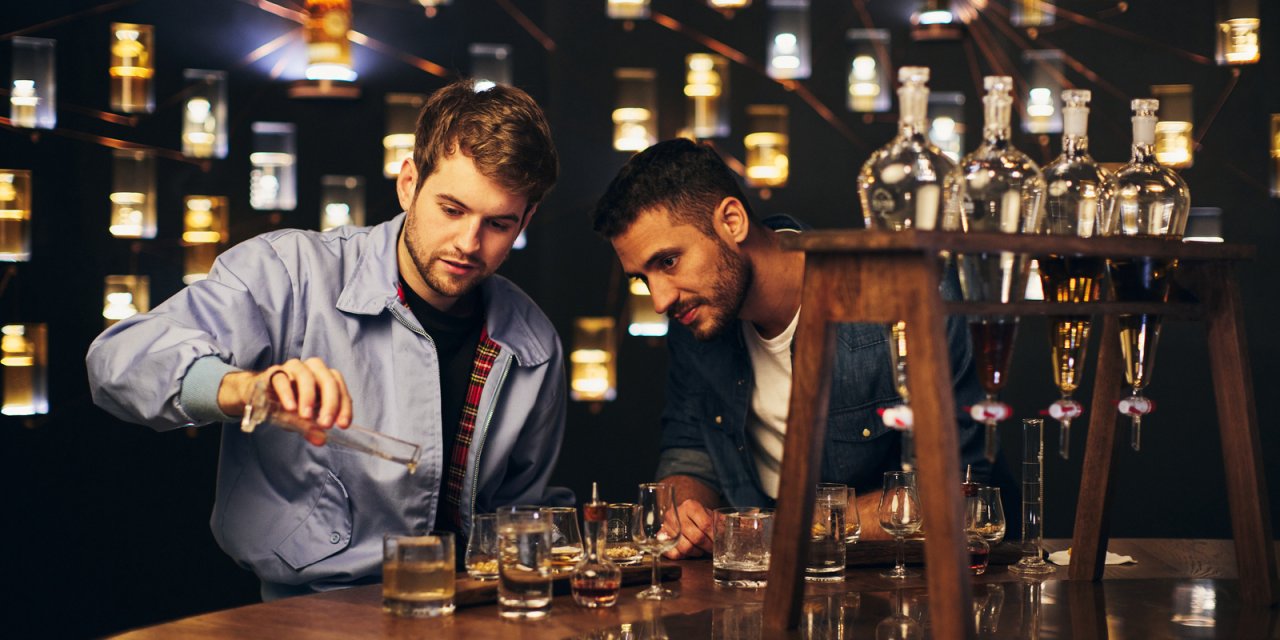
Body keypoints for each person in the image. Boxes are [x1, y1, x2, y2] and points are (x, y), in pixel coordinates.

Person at [86, 79, 570, 599]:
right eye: (451, 210)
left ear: (527, 219)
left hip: (473, 610)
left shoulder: (533, 344)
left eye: (498, 224)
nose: (469, 243)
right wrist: (247, 390)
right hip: (308, 612)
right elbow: (115, 361)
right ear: (408, 183)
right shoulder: (289, 272)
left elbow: (523, 514)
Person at [591, 138, 1007, 559]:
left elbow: (958, 492)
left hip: (890, 592)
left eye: (668, 262)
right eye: (642, 279)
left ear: (732, 221)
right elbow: (689, 449)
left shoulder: (901, 300)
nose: (659, 300)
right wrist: (683, 509)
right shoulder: (694, 321)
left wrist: (781, 528)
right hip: (751, 582)